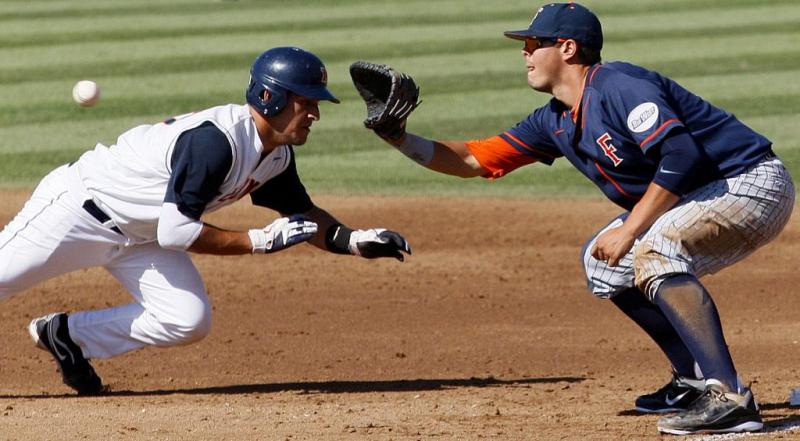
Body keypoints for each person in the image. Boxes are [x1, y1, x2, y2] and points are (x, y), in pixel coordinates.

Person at [358, 3, 794, 435]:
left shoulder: (619, 85)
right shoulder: (554, 120)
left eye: (532, 44)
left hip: (750, 182)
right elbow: (473, 158)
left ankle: (731, 397)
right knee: (603, 262)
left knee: (655, 249)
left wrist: (631, 228)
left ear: (567, 48)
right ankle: (695, 379)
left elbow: (680, 154)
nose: (524, 53)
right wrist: (398, 137)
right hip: (704, 192)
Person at [0, 47, 411, 395]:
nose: (314, 115)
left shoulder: (276, 155)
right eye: (306, 103)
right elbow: (176, 231)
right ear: (270, 97)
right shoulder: (217, 141)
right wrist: (258, 241)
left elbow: (303, 215)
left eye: (316, 105)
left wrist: (354, 240)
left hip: (142, 236)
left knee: (186, 319)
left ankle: (69, 335)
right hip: (78, 210)